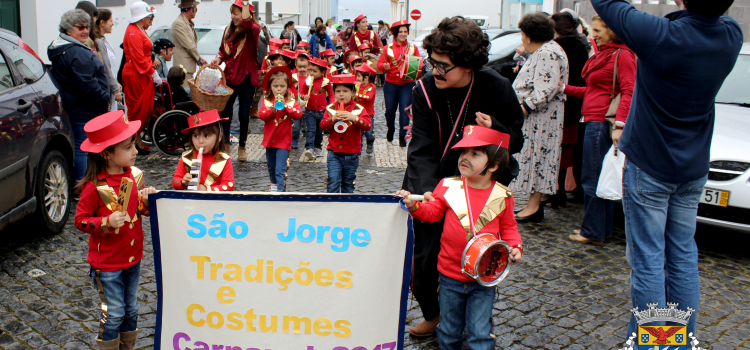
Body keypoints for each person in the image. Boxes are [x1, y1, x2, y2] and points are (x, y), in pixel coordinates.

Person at [591, 0, 742, 337]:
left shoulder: (661, 36)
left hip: (651, 167)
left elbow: (607, 4)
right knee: (683, 256)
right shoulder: (731, 34)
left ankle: (656, 344)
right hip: (692, 168)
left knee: (648, 262)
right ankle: (678, 341)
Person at [403, 16, 525, 338]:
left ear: (468, 64)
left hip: (481, 184)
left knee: (478, 252)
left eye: (443, 65)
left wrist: (497, 128)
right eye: (433, 62)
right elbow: (422, 147)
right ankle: (434, 314)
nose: (435, 71)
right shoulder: (426, 89)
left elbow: (517, 139)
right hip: (435, 184)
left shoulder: (496, 87)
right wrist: (424, 195)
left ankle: (480, 320)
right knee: (423, 258)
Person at [398, 126, 523, 350]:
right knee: (448, 330)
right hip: (449, 275)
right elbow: (433, 213)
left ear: (493, 165)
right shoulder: (448, 185)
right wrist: (414, 206)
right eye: (464, 152)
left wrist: (515, 247)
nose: (465, 157)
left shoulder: (503, 195)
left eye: (475, 153)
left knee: (480, 332)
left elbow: (509, 227)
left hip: (484, 277)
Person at [73, 110, 156, 350]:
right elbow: (80, 220)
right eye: (129, 147)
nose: (136, 151)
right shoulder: (93, 186)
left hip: (133, 258)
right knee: (116, 312)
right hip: (107, 263)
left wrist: (147, 203)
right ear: (108, 153)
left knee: (131, 309)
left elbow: (138, 210)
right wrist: (105, 223)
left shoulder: (134, 175)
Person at [561, 15, 636, 245]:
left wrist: (620, 125)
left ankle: (593, 231)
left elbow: (629, 91)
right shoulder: (607, 53)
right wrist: (565, 89)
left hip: (602, 122)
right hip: (594, 119)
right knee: (595, 177)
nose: (593, 34)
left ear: (612, 31)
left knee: (592, 178)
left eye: (597, 30)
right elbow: (594, 91)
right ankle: (598, 229)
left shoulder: (622, 55)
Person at [511, 12, 569, 224]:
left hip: (541, 118)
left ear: (528, 35)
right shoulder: (546, 50)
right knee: (536, 158)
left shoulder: (548, 52)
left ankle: (534, 206)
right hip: (540, 117)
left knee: (539, 158)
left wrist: (524, 108)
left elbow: (546, 89)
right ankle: (532, 204)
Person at [49, 9, 111, 184]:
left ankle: (83, 183)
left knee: (81, 147)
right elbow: (88, 85)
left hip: (77, 106)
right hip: (85, 108)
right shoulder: (76, 52)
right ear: (68, 30)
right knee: (84, 149)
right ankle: (83, 186)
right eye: (80, 27)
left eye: (87, 27)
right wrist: (104, 96)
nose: (85, 31)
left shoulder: (63, 47)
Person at [544, 9, 590, 209]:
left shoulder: (557, 47)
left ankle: (556, 191)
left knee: (555, 149)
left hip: (560, 102)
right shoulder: (581, 44)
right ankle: (561, 189)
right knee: (566, 149)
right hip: (576, 103)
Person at [210, 0, 261, 162]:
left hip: (246, 78)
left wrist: (245, 5)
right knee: (225, 112)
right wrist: (218, 59)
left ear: (246, 14)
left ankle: (242, 147)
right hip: (230, 77)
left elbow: (248, 24)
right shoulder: (227, 31)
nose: (233, 16)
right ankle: (226, 146)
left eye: (236, 13)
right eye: (232, 13)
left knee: (244, 114)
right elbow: (222, 51)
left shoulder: (253, 30)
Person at [320, 74, 372, 193]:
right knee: (333, 181)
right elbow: (323, 126)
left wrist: (354, 118)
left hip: (352, 154)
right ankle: (331, 206)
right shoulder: (331, 108)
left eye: (345, 91)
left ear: (353, 92)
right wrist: (332, 119)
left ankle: (346, 207)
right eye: (338, 91)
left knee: (348, 184)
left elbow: (368, 125)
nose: (341, 94)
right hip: (334, 152)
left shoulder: (358, 109)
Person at [123, 2, 161, 155]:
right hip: (136, 73)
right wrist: (153, 72)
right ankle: (134, 140)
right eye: (149, 16)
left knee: (143, 107)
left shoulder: (139, 30)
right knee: (136, 108)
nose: (151, 19)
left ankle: (136, 138)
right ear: (143, 16)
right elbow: (138, 57)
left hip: (141, 72)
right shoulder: (133, 32)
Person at [259, 67, 304, 191]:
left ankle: (279, 190)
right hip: (270, 140)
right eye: (275, 86)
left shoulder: (291, 101)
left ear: (287, 87)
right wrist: (272, 109)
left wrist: (286, 108)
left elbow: (298, 114)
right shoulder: (266, 100)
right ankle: (274, 184)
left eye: (282, 86)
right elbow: (261, 115)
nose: (279, 89)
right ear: (270, 87)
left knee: (280, 168)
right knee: (271, 166)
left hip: (284, 140)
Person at [377, 20, 420, 147]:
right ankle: (391, 128)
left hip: (407, 84)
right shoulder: (387, 48)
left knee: (405, 110)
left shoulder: (413, 48)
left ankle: (402, 136)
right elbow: (379, 64)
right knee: (390, 111)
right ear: (395, 34)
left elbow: (418, 65)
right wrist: (384, 66)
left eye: (405, 31)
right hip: (391, 84)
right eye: (400, 32)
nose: (403, 34)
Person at [172, 110, 235, 191]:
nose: (200, 141)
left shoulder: (224, 159)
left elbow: (229, 186)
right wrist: (183, 182)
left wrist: (207, 190)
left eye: (206, 135)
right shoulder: (186, 157)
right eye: (196, 136)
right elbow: (175, 180)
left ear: (219, 137)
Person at [300, 58, 335, 160]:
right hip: (309, 110)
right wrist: (303, 97)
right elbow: (302, 93)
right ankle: (309, 148)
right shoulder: (307, 81)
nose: (312, 73)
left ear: (323, 72)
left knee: (319, 130)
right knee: (310, 130)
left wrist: (331, 105)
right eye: (311, 70)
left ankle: (318, 147)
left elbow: (332, 95)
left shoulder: (326, 82)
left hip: (322, 111)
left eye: (315, 71)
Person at [92, 9, 122, 113]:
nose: (113, 23)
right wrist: (115, 89)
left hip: (111, 86)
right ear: (102, 23)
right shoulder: (99, 42)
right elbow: (105, 67)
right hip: (108, 89)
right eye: (110, 21)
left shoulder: (103, 40)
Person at [172, 0, 207, 84]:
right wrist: (199, 59)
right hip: (183, 69)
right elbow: (189, 45)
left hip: (187, 68)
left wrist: (199, 59)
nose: (196, 12)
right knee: (185, 94)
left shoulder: (185, 23)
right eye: (196, 9)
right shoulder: (179, 24)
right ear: (191, 9)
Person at [355, 64, 377, 154]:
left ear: (366, 77)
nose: (357, 78)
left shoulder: (372, 87)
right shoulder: (357, 86)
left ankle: (370, 141)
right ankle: (358, 149)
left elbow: (368, 98)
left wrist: (357, 95)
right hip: (358, 113)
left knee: (368, 132)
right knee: (358, 133)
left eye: (359, 76)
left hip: (368, 113)